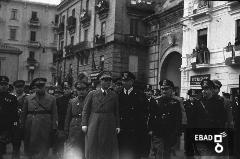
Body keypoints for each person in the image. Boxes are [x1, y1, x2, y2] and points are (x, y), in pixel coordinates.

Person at [82, 71, 120, 159]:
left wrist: (118, 125)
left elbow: (116, 111)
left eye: (109, 80)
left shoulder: (114, 95)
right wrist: (84, 124)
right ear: (100, 81)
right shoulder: (92, 94)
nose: (107, 82)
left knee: (107, 145)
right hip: (94, 122)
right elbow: (85, 110)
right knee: (93, 144)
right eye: (105, 80)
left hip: (109, 122)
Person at [20, 78, 58, 159]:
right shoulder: (28, 98)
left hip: (45, 126)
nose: (39, 88)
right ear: (35, 87)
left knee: (43, 147)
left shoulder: (52, 99)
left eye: (41, 86)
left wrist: (54, 127)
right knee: (30, 147)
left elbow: (54, 114)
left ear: (45, 86)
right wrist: (22, 125)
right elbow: (24, 113)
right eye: (37, 86)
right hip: (30, 125)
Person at [191, 79, 227, 158]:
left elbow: (223, 120)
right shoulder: (198, 103)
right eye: (203, 89)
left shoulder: (219, 103)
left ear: (212, 89)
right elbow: (192, 120)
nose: (204, 91)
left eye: (206, 89)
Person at [118, 71, 149, 159]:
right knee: (123, 153)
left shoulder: (140, 94)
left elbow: (145, 112)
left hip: (136, 130)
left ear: (132, 82)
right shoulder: (119, 95)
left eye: (127, 80)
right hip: (123, 130)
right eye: (123, 80)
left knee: (135, 154)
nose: (124, 82)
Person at [148, 79, 182, 159]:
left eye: (166, 89)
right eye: (162, 89)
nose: (164, 91)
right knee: (159, 153)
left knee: (167, 153)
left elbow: (178, 119)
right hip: (158, 133)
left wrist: (177, 132)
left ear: (171, 90)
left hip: (170, 133)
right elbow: (151, 116)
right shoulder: (155, 101)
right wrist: (150, 129)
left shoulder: (175, 103)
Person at [64, 79, 89, 159]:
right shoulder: (72, 101)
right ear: (76, 90)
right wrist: (66, 130)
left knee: (85, 149)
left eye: (83, 89)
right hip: (74, 128)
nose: (81, 91)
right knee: (73, 149)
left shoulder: (90, 101)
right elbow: (68, 117)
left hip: (86, 128)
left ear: (87, 89)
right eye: (79, 89)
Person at [0, 76, 18, 159]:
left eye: (5, 84)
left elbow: (14, 114)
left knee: (2, 149)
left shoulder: (12, 98)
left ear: (8, 86)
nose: (3, 86)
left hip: (5, 127)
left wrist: (14, 126)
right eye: (1, 84)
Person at [12, 80, 28, 159]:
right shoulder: (11, 97)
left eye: (20, 87)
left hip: (26, 124)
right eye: (17, 87)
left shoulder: (27, 98)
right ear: (15, 88)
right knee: (15, 145)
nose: (19, 89)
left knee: (27, 145)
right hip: (15, 124)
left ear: (23, 87)